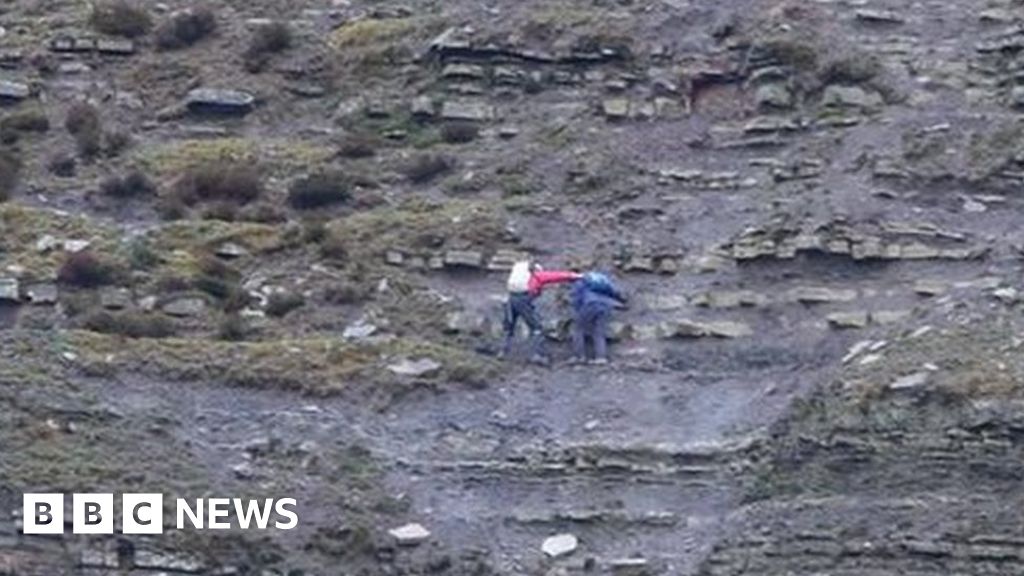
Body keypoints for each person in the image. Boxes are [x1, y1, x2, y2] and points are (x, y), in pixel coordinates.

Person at [501, 260, 580, 364]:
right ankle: (537, 355)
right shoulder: (537, 276)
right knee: (537, 328)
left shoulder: (518, 278)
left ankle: (502, 352)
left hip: (511, 300)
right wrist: (574, 276)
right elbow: (555, 276)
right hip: (523, 301)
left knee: (509, 328)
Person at [571, 271, 627, 365]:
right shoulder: (602, 281)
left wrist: (578, 311)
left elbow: (577, 299)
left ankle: (579, 357)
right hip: (605, 307)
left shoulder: (580, 282)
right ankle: (601, 358)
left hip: (589, 304)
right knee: (599, 332)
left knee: (578, 330)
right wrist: (622, 302)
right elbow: (615, 292)